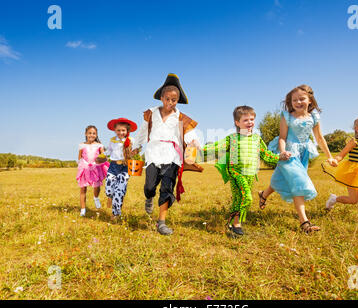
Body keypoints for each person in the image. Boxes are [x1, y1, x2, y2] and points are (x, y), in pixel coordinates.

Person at [258, 85, 337, 234]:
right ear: (290, 102)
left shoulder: (313, 117)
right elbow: (282, 137)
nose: (298, 102)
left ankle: (263, 194)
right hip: (289, 153)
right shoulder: (287, 116)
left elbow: (319, 138)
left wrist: (330, 157)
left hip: (304, 153)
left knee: (281, 179)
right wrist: (283, 152)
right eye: (294, 100)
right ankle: (304, 223)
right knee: (298, 183)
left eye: (302, 99)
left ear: (310, 100)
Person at [135, 74, 202, 235]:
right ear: (161, 98)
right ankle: (149, 197)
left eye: (174, 100)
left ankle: (162, 222)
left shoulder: (181, 117)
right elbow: (143, 131)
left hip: (172, 157)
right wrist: (136, 146)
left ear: (177, 101)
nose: (170, 103)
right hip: (153, 154)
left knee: (167, 187)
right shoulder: (151, 114)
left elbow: (189, 134)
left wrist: (194, 142)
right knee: (150, 186)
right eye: (167, 99)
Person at [203, 106, 282, 236]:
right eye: (246, 120)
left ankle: (234, 223)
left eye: (252, 119)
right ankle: (235, 223)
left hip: (250, 174)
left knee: (238, 199)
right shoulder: (233, 139)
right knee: (247, 198)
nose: (250, 122)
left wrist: (280, 157)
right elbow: (217, 147)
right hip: (236, 173)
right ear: (237, 123)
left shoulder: (257, 139)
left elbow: (266, 155)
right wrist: (197, 148)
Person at [103, 118, 138, 221]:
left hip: (125, 167)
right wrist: (102, 155)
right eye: (118, 130)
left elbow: (137, 148)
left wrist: (135, 151)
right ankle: (110, 196)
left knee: (119, 190)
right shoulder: (112, 140)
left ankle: (116, 213)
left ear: (127, 131)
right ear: (115, 130)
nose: (121, 132)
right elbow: (108, 151)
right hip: (113, 166)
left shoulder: (131, 140)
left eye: (123, 130)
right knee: (109, 188)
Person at [76, 125, 110, 217]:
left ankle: (96, 197)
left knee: (97, 186)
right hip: (85, 167)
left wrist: (101, 159)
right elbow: (79, 158)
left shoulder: (99, 145)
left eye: (94, 133)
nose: (92, 135)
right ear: (86, 134)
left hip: (96, 167)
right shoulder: (81, 145)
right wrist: (81, 166)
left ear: (96, 135)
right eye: (90, 133)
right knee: (83, 188)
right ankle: (83, 209)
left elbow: (103, 156)